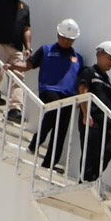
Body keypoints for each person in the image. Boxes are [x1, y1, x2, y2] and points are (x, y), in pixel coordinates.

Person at [23, 19, 83, 169]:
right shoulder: (46, 50)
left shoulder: (78, 59)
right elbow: (29, 65)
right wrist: (12, 66)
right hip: (49, 90)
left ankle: (48, 164)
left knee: (61, 130)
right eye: (63, 37)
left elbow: (80, 81)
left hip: (69, 96)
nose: (66, 41)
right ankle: (36, 142)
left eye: (69, 39)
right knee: (53, 112)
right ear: (58, 35)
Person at [76, 40, 111, 184]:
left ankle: (91, 181)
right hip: (92, 120)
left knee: (106, 155)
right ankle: (84, 182)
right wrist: (86, 113)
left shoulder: (107, 80)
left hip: (106, 125)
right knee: (90, 153)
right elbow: (83, 91)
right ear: (100, 54)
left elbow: (109, 104)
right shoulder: (89, 71)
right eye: (109, 58)